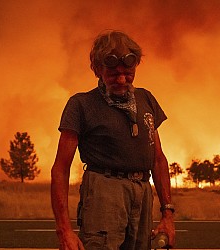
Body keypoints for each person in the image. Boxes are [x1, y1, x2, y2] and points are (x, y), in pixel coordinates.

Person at [51, 30, 175, 250]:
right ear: (97, 69)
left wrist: (168, 214)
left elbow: (157, 159)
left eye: (128, 73)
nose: (121, 80)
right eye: (113, 73)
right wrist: (64, 230)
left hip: (143, 191)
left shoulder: (146, 99)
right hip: (103, 193)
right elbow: (60, 168)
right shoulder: (81, 105)